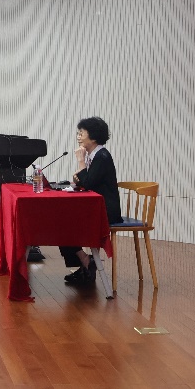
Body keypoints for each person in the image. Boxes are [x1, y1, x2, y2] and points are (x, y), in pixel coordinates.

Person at [62, 117, 122, 286]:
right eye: (78, 133)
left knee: (64, 223)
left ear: (93, 137)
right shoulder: (94, 155)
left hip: (106, 211)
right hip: (96, 207)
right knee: (62, 220)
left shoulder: (102, 156)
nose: (78, 137)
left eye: (82, 133)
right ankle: (85, 262)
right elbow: (86, 181)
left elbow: (87, 183)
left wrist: (81, 162)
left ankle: (86, 262)